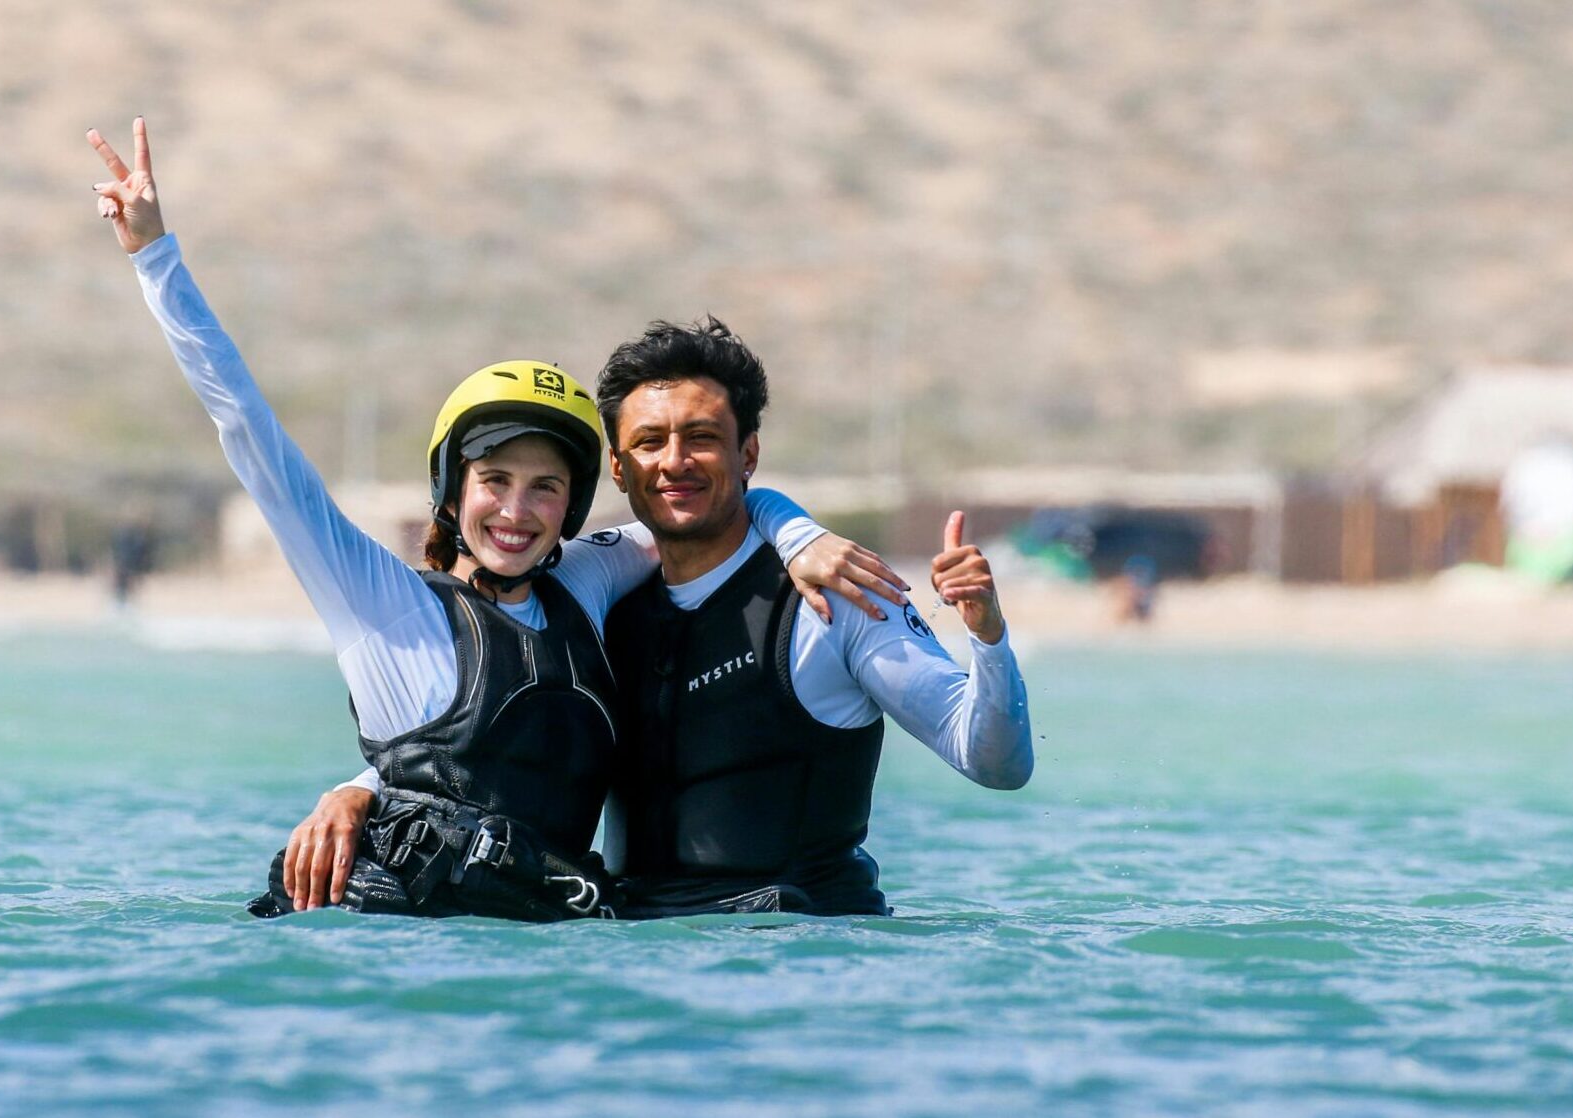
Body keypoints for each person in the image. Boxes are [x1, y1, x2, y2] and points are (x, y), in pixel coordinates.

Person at [85, 119, 905, 920]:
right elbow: (249, 433)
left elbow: (701, 506)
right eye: (495, 481)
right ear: (451, 489)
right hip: (380, 935)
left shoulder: (589, 580)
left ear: (573, 505)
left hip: (530, 965)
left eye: (545, 488)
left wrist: (798, 532)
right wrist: (155, 256)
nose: (516, 512)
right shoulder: (383, 603)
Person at [302, 316, 1037, 918]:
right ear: (617, 469)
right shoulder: (599, 604)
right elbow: (480, 726)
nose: (674, 461)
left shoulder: (833, 596)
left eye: (703, 438)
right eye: (649, 442)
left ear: (748, 454)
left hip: (800, 948)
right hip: (638, 949)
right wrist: (363, 790)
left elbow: (994, 762)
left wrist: (987, 639)